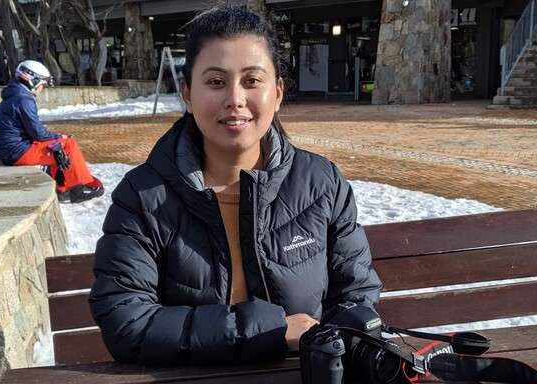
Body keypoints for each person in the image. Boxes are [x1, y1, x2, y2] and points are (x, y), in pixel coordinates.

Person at [89, 6, 381, 364]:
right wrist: (268, 330)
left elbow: (356, 293)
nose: (235, 99)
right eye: (215, 82)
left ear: (277, 93)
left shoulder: (322, 183)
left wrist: (332, 346)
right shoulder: (142, 196)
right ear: (187, 93)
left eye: (252, 80)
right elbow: (126, 321)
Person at [0, 60, 104, 203]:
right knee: (68, 144)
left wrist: (54, 141)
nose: (42, 89)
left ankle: (62, 187)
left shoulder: (14, 95)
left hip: (10, 151)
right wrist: (60, 136)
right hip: (17, 153)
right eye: (43, 85)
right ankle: (77, 189)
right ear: (33, 81)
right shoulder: (24, 99)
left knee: (56, 149)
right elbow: (38, 134)